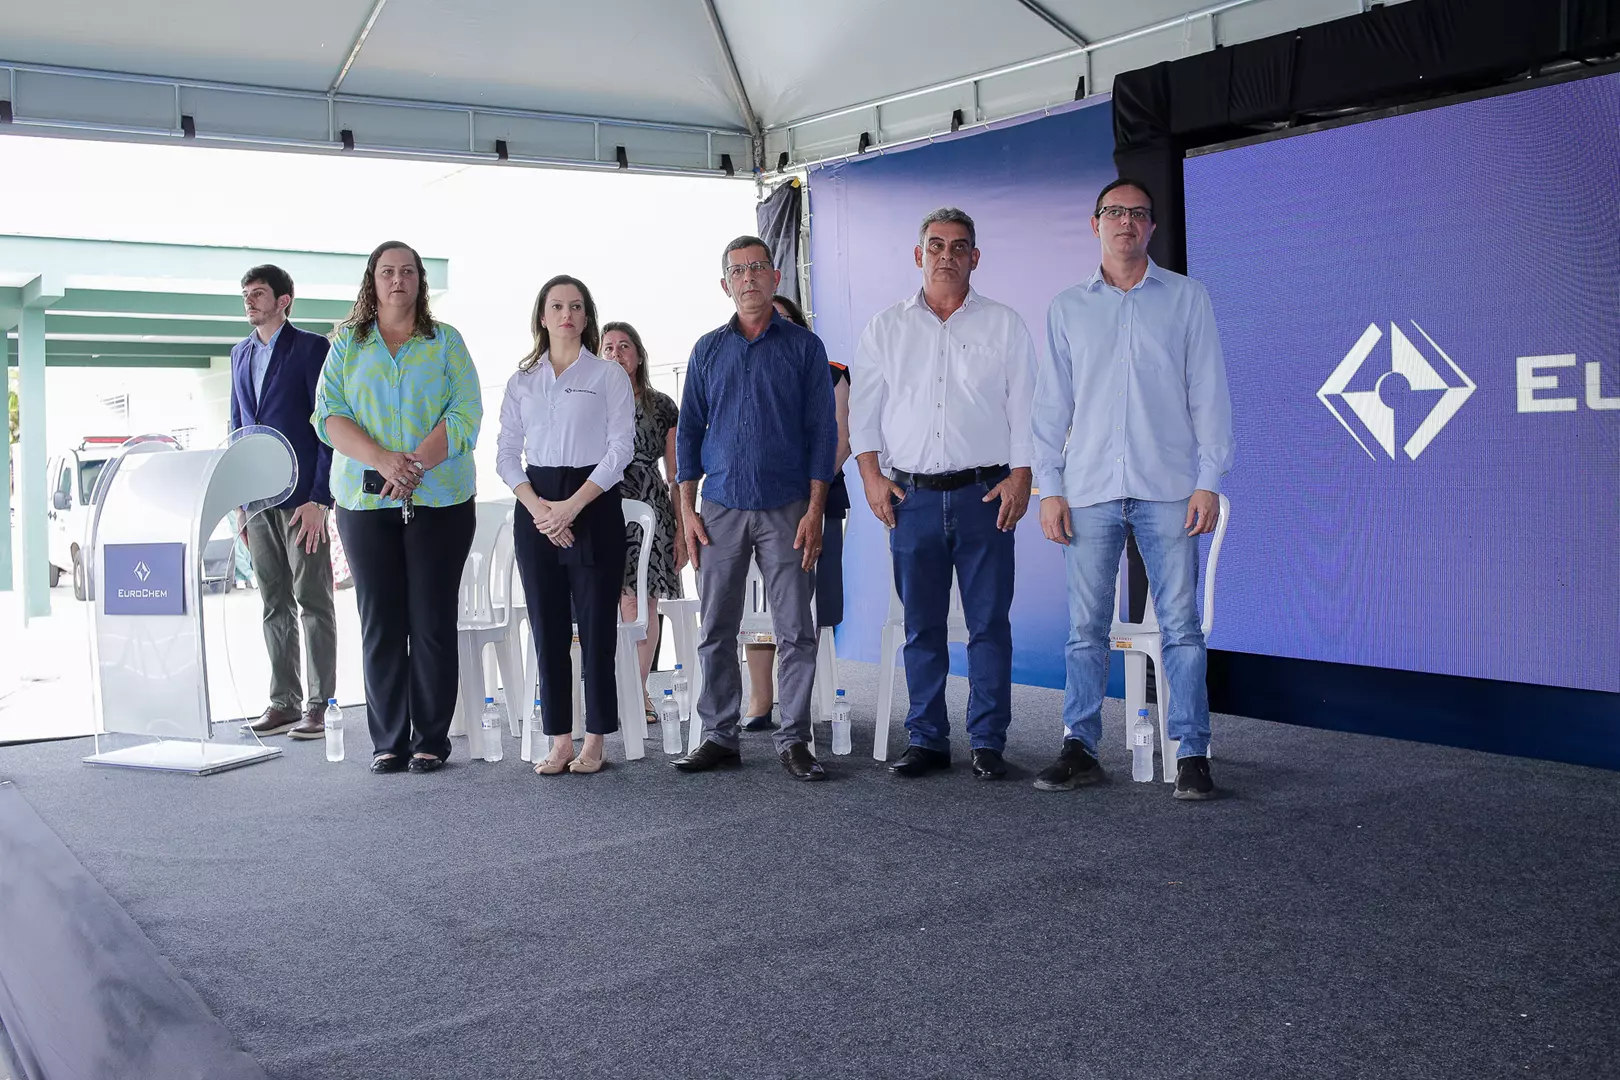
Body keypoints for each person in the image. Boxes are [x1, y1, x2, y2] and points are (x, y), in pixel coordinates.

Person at [1031, 178, 1234, 800]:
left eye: (1137, 214)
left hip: (1170, 486)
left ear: (1151, 228)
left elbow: (1209, 393)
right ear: (1096, 224)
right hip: (1088, 487)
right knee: (1084, 630)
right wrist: (1050, 488)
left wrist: (1208, 480)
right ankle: (1079, 745)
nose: (1125, 223)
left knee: (1182, 627)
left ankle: (1192, 751)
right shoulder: (1068, 307)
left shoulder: (1186, 298)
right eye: (1114, 213)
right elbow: (1051, 407)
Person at [849, 207, 1036, 781]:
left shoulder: (1003, 324)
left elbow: (1028, 408)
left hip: (986, 495)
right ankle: (927, 739)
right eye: (936, 246)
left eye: (959, 247)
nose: (946, 256)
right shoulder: (885, 327)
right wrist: (872, 479)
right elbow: (864, 414)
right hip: (913, 500)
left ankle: (987, 741)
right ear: (918, 255)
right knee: (921, 627)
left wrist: (1023, 477)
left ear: (975, 257)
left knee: (989, 625)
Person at [313, 241, 483, 774]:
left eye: (407, 271)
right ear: (372, 280)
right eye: (387, 271)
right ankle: (389, 739)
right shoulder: (346, 345)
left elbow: (466, 415)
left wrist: (414, 466)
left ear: (419, 282)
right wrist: (384, 461)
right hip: (364, 503)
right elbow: (328, 416)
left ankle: (431, 737)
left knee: (431, 620)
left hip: (441, 498)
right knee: (380, 621)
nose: (397, 280)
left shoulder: (446, 342)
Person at [671, 236, 837, 782]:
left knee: (796, 630)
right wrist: (687, 510)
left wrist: (816, 509)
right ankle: (719, 735)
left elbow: (821, 431)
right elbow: (690, 431)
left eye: (757, 268)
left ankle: (794, 740)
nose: (748, 278)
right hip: (718, 509)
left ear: (776, 277)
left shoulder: (804, 348)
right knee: (716, 626)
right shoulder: (707, 350)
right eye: (737, 271)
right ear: (725, 284)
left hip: (788, 507)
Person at [497, 277, 634, 776]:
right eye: (556, 306)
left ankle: (595, 739)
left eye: (576, 306)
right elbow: (507, 453)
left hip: (592, 501)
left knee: (597, 626)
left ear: (586, 315)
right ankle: (558, 738)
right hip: (534, 505)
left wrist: (571, 507)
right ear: (542, 316)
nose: (566, 315)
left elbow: (621, 449)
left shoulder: (608, 376)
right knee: (547, 627)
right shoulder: (523, 380)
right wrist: (540, 510)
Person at [231, 265, 337, 741]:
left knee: (312, 599)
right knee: (273, 603)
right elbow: (238, 431)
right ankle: (284, 702)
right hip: (257, 503)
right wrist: (237, 501)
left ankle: (320, 704)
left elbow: (329, 428)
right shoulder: (238, 355)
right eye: (246, 295)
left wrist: (320, 498)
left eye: (258, 294)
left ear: (284, 300)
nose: (250, 302)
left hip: (302, 502)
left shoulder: (312, 349)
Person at [740, 294, 851, 732]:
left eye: (783, 318)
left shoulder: (831, 372)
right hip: (757, 505)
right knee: (758, 604)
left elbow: (840, 440)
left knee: (809, 605)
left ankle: (801, 702)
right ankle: (760, 699)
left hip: (815, 503)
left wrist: (809, 495)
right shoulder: (746, 368)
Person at [600, 321, 685, 726]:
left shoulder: (662, 404)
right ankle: (609, 690)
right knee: (608, 601)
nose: (616, 354)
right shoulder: (590, 401)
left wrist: (684, 528)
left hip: (651, 507)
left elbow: (678, 475)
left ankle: (636, 693)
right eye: (608, 347)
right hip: (600, 505)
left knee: (643, 601)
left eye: (624, 346)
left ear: (638, 355)